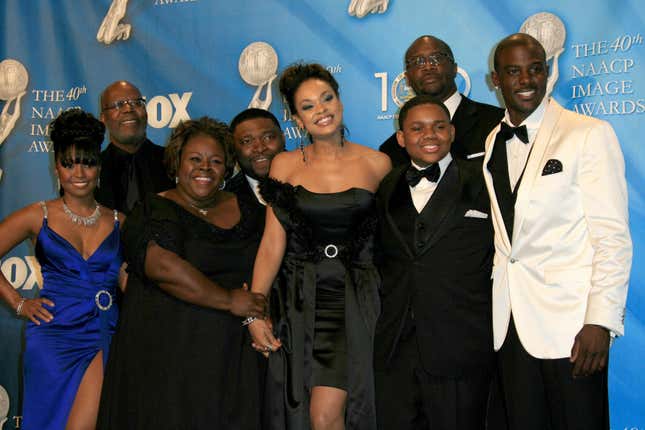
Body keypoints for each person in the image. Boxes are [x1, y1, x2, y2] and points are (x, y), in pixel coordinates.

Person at [483, 33, 632, 429]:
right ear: (495, 81)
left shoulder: (587, 133)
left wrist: (600, 321)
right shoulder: (493, 140)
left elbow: (612, 237)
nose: (527, 80)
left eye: (536, 69)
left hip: (573, 327)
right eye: (513, 72)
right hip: (511, 324)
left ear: (548, 72)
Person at [97, 117, 267, 429]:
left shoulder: (249, 209)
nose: (205, 168)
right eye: (195, 159)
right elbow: (162, 267)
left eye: (216, 161)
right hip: (169, 361)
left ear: (227, 167)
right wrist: (230, 300)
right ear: (176, 162)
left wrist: (258, 313)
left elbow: (268, 258)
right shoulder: (152, 209)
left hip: (233, 359)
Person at [247, 63, 391, 430]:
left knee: (326, 416)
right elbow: (270, 245)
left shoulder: (378, 164)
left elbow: (392, 244)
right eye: (308, 106)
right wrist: (255, 312)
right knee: (304, 415)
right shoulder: (284, 164)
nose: (321, 110)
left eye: (327, 98)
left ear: (340, 101)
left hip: (355, 303)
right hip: (297, 302)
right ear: (296, 117)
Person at [374, 95, 494, 429]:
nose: (430, 135)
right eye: (417, 128)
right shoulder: (386, 186)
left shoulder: (485, 181)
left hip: (460, 345)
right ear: (401, 138)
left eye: (439, 126)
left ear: (452, 132)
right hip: (396, 346)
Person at [0, 109, 124, 430]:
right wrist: (19, 303)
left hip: (101, 332)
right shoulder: (36, 216)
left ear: (99, 166)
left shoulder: (119, 222)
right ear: (56, 167)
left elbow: (133, 281)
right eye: (69, 163)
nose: (79, 172)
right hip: (52, 336)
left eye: (88, 162)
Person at [379, 35, 503, 166]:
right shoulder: (391, 150)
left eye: (436, 58)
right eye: (418, 61)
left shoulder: (498, 122)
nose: (428, 67)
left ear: (455, 69)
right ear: (407, 78)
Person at [96, 80, 174, 214]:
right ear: (103, 118)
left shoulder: (173, 162)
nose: (128, 109)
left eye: (137, 103)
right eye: (119, 105)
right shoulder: (92, 170)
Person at [227, 107, 286, 209]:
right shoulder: (226, 199)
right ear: (234, 149)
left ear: (283, 138)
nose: (259, 148)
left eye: (268, 137)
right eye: (247, 141)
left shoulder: (313, 174)